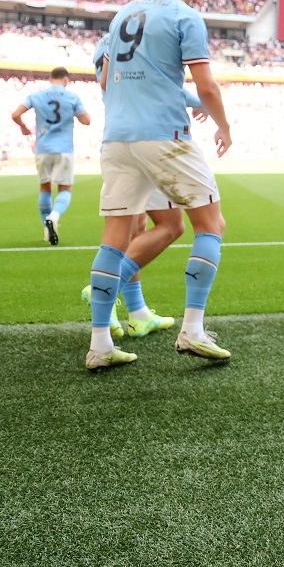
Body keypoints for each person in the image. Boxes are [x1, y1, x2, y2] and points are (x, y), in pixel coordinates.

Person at [84, 0, 234, 372]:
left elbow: (106, 78)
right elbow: (207, 84)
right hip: (164, 136)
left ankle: (100, 344)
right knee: (211, 224)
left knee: (114, 237)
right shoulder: (186, 16)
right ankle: (193, 329)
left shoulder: (123, 15)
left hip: (117, 138)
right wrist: (223, 125)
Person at [80, 34, 195, 340]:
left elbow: (109, 83)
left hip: (118, 137)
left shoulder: (108, 43)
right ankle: (106, 288)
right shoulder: (141, 39)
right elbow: (158, 88)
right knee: (172, 225)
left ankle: (138, 313)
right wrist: (203, 102)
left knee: (136, 227)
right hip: (149, 137)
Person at [11, 66, 91, 245]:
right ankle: (54, 217)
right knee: (65, 189)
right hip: (63, 149)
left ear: (50, 78)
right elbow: (86, 120)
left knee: (45, 188)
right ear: (66, 80)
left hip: (43, 148)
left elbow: (15, 114)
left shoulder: (37, 95)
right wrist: (73, 115)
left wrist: (23, 127)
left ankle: (46, 230)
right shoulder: (72, 97)